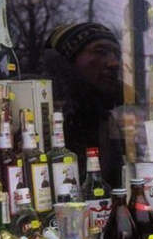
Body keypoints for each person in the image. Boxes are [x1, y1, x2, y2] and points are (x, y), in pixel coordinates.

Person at [44, 22, 124, 188]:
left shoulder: (105, 116)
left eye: (117, 54)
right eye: (100, 52)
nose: (114, 63)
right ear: (68, 61)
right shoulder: (50, 115)